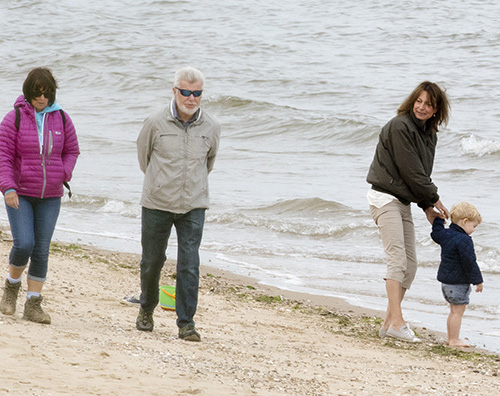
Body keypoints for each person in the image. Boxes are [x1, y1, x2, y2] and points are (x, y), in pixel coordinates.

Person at [136, 66, 221, 342]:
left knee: (189, 264)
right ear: (175, 91)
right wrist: (161, 183)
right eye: (185, 92)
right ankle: (146, 308)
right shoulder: (155, 122)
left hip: (194, 205)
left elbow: (208, 163)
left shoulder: (212, 126)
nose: (191, 98)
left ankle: (186, 323)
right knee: (152, 261)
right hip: (157, 203)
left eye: (196, 93)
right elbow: (143, 158)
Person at [366, 81, 451, 342]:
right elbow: (411, 171)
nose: (422, 107)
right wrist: (433, 197)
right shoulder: (400, 126)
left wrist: (426, 206)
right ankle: (398, 322)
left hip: (401, 200)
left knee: (410, 266)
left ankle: (388, 323)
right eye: (419, 101)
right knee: (398, 261)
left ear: (436, 110)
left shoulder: (429, 134)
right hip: (384, 197)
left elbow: (421, 173)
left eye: (428, 104)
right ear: (413, 100)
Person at [0, 67, 80, 324]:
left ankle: (33, 305)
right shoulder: (14, 119)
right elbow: (3, 156)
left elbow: (72, 150)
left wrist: (63, 173)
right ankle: (11, 287)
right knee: (24, 243)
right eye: (37, 93)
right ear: (28, 92)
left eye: (46, 93)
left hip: (51, 195)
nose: (42, 98)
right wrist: (8, 188)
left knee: (42, 249)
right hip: (19, 193)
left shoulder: (62, 118)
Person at [431, 202, 483, 347]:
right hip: (458, 284)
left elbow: (436, 234)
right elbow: (470, 262)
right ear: (464, 221)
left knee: (453, 311)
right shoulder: (464, 240)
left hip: (446, 283)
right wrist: (478, 280)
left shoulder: (446, 234)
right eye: (474, 226)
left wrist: (438, 220)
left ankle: (450, 338)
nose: (473, 230)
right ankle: (454, 339)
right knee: (457, 313)